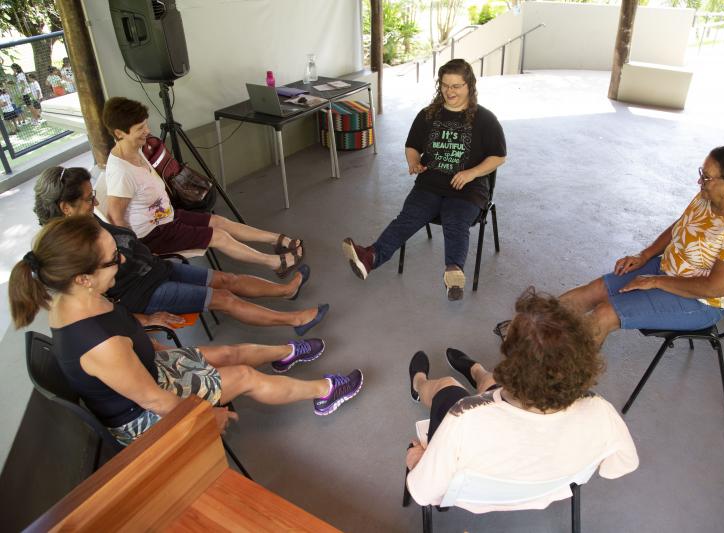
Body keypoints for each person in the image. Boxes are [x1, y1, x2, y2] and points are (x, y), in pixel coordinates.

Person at [8, 216, 364, 445]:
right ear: (83, 277)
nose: (122, 260)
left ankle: (285, 355)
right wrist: (208, 416)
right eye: (113, 259)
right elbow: (152, 400)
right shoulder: (97, 345)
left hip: (145, 371)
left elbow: (123, 336)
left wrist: (146, 327)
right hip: (144, 416)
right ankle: (324, 392)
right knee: (243, 376)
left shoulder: (76, 297)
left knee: (228, 352)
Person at [405, 287, 638, 510]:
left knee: (447, 386)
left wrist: (417, 460)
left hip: (470, 499)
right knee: (490, 385)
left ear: (511, 363)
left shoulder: (464, 416)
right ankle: (477, 372)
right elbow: (620, 465)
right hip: (546, 491)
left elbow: (423, 493)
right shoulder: (599, 410)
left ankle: (418, 383)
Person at [33, 166, 328, 336]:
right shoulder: (64, 251)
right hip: (143, 293)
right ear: (65, 207)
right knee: (223, 298)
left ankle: (285, 291)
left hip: (155, 268)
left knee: (228, 280)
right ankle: (295, 321)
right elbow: (94, 308)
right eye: (87, 199)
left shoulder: (82, 223)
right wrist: (144, 320)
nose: (95, 204)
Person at [554, 145, 724, 347]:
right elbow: (683, 224)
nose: (699, 181)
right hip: (666, 269)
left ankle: (565, 380)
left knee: (605, 314)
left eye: (706, 177)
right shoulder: (708, 198)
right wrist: (644, 255)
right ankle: (532, 337)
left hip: (701, 302)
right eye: (702, 173)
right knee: (593, 291)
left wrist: (657, 281)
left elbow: (715, 287)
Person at [342, 58, 506, 301]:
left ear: (469, 86)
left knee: (455, 220)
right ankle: (371, 257)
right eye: (445, 85)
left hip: (468, 189)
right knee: (408, 218)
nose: (450, 92)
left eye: (456, 86)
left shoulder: (485, 119)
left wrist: (471, 173)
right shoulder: (428, 115)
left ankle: (454, 273)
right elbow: (412, 146)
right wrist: (413, 161)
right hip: (430, 184)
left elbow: (498, 156)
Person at [102, 96, 304, 279]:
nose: (146, 131)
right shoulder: (121, 172)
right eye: (140, 128)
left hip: (167, 217)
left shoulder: (137, 149)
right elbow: (116, 218)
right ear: (119, 133)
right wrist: (138, 253)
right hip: (152, 235)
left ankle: (275, 240)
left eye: (145, 125)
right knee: (219, 236)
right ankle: (275, 264)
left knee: (219, 221)